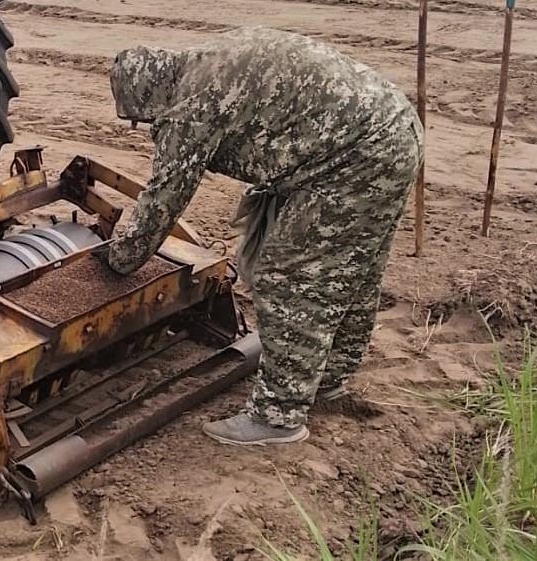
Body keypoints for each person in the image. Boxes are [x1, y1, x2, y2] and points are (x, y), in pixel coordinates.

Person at [107, 27, 422, 446]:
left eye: (137, 116)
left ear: (144, 94)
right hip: (397, 128)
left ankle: (278, 416)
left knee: (288, 275)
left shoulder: (188, 107)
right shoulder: (205, 62)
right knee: (352, 269)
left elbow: (163, 201)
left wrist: (118, 261)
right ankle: (327, 378)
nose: (142, 123)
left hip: (355, 155)